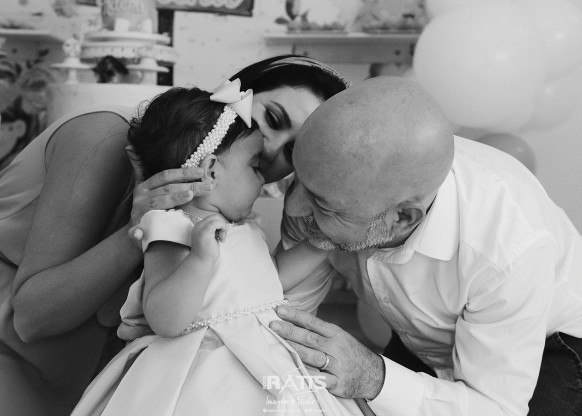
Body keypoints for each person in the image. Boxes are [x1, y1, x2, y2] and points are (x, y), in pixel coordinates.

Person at [0, 55, 348, 416]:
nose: (273, 149)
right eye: (273, 119)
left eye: (293, 151)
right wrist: (141, 229)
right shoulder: (104, 137)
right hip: (18, 351)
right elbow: (31, 319)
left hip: (112, 369)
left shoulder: (231, 218)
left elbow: (258, 285)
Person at [268, 76, 582, 416]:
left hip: (551, 343)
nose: (293, 208)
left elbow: (496, 408)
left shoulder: (507, 250)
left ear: (402, 218)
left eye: (321, 204)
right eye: (298, 179)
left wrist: (373, 376)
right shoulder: (328, 177)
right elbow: (286, 313)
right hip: (423, 338)